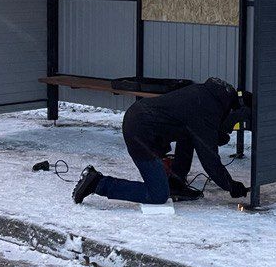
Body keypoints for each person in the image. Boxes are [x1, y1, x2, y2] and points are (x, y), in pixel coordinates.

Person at [73, 77, 252, 207]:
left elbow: (196, 132)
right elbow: (210, 161)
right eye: (235, 124)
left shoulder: (209, 97)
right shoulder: (206, 111)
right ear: (233, 111)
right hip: (140, 132)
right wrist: (230, 186)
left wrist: (215, 133)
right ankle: (97, 183)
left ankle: (176, 182)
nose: (231, 129)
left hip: (142, 119)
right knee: (157, 194)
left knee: (189, 136)